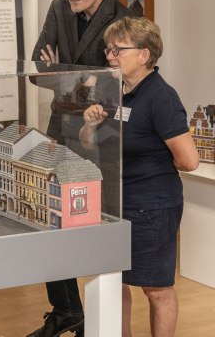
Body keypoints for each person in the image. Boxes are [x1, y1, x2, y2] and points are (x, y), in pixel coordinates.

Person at [28, 0, 135, 337]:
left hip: (104, 136)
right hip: (61, 129)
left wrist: (63, 74)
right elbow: (37, 73)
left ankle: (101, 319)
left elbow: (117, 87)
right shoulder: (58, 8)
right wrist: (80, 78)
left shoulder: (123, 20)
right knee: (50, 217)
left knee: (97, 226)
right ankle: (67, 310)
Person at [79, 17, 198, 337]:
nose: (110, 55)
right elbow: (89, 144)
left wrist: (150, 163)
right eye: (109, 49)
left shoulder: (161, 98)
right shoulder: (110, 89)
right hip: (115, 202)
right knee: (114, 279)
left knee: (155, 288)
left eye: (119, 49)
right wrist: (89, 126)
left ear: (145, 55)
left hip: (152, 208)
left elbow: (189, 160)